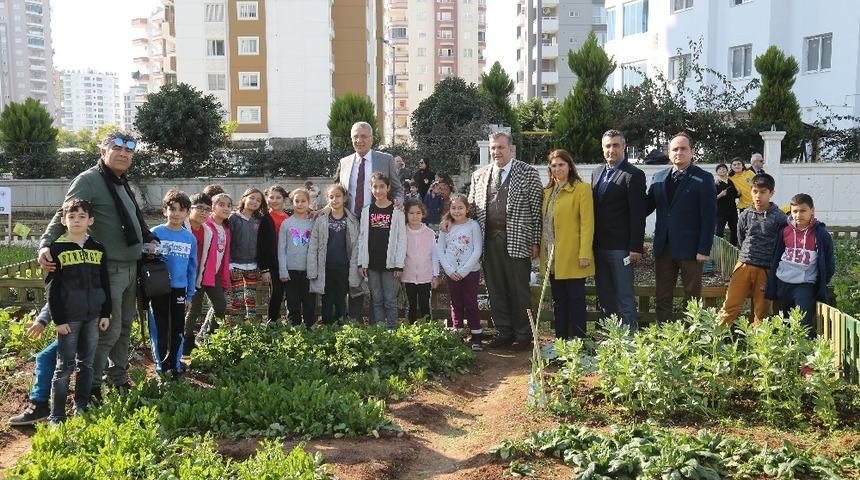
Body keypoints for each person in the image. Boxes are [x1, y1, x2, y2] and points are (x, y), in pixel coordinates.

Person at [38, 131, 157, 399]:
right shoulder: (90, 179)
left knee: (124, 328)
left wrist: (148, 240)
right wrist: (45, 244)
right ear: (103, 152)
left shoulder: (120, 182)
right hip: (109, 268)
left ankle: (118, 378)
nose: (124, 154)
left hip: (131, 266)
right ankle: (90, 387)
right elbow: (64, 212)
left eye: (129, 150)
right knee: (109, 330)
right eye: (117, 148)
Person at [468, 131, 543, 349]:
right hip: (488, 240)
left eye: (500, 147)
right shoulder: (479, 175)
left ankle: (523, 335)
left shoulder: (528, 173)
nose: (496, 151)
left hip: (518, 240)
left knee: (520, 290)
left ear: (511, 149)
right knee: (495, 289)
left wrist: (536, 241)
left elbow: (536, 211)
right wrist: (449, 221)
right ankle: (504, 332)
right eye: (493, 147)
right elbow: (470, 209)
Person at [45, 198, 111, 424]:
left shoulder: (98, 248)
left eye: (82, 216)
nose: (76, 220)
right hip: (69, 319)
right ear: (63, 220)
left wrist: (105, 313)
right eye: (71, 217)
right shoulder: (56, 249)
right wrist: (58, 320)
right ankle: (57, 416)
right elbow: (51, 289)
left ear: (90, 220)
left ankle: (81, 407)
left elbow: (105, 282)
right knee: (64, 367)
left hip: (93, 316)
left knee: (87, 364)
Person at [335, 121, 403, 322]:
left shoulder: (385, 159)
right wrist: (325, 209)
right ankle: (354, 320)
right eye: (355, 136)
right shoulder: (345, 162)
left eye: (363, 136)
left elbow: (397, 188)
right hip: (350, 223)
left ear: (372, 139)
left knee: (374, 269)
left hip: (376, 224)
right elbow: (338, 192)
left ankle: (377, 323)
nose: (359, 140)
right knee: (354, 270)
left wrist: (399, 200)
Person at [646, 132, 716, 324]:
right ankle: (664, 333)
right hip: (664, 247)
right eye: (675, 149)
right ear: (669, 153)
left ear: (692, 152)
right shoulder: (658, 177)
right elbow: (645, 206)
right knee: (662, 295)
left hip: (691, 249)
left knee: (692, 297)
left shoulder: (704, 178)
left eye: (683, 148)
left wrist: (704, 249)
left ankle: (690, 336)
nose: (679, 152)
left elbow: (709, 217)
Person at [591, 130, 646, 331]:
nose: (611, 150)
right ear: (602, 148)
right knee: (605, 295)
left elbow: (638, 214)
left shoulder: (634, 174)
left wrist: (635, 247)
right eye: (608, 146)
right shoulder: (597, 172)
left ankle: (630, 340)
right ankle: (611, 337)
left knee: (624, 296)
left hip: (621, 248)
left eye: (615, 145)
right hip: (599, 246)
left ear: (624, 147)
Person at [717, 173, 787, 326]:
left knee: (762, 312)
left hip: (766, 269)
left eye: (763, 192)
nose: (758, 196)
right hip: (743, 265)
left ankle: (759, 341)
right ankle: (716, 337)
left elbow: (783, 244)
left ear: (771, 193)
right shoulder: (745, 214)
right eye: (755, 191)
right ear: (750, 191)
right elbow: (741, 238)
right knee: (730, 306)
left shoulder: (780, 217)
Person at [766, 194, 835, 339]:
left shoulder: (821, 234)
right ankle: (788, 352)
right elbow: (776, 255)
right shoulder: (784, 230)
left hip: (805, 285)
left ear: (812, 210)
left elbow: (829, 263)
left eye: (803, 211)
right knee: (784, 322)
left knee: (803, 324)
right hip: (783, 283)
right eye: (795, 211)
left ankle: (806, 352)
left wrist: (822, 281)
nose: (798, 215)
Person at [542, 149, 594, 340]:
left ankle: (580, 341)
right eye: (553, 165)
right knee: (558, 301)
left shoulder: (582, 189)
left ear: (570, 166)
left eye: (561, 165)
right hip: (552, 256)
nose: (557, 168)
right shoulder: (547, 192)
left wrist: (585, 253)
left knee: (576, 300)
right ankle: (561, 341)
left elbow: (587, 224)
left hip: (573, 254)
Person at [149, 190, 197, 375]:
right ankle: (161, 367)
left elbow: (192, 268)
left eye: (181, 210)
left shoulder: (189, 238)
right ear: (164, 210)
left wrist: (189, 295)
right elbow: (146, 261)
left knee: (177, 328)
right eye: (172, 209)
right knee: (159, 328)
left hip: (179, 290)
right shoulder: (155, 233)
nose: (176, 213)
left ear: (187, 213)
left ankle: (175, 365)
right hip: (158, 289)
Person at [308, 184, 365, 325]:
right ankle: (327, 327)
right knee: (327, 298)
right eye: (331, 197)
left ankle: (341, 326)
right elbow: (313, 245)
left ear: (344, 198)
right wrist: (312, 268)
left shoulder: (352, 221)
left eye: (338, 196)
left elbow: (357, 246)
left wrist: (357, 265)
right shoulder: (321, 220)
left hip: (344, 267)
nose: (335, 200)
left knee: (341, 298)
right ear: (328, 199)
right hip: (326, 267)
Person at [357, 173, 407, 329]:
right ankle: (379, 332)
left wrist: (399, 265)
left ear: (388, 188)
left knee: (390, 300)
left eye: (382, 186)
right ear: (370, 188)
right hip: (372, 263)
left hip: (390, 264)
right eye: (375, 187)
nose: (378, 190)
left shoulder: (397, 210)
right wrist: (361, 263)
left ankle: (392, 330)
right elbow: (362, 237)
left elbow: (401, 239)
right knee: (376, 299)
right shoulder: (367, 210)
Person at [437, 194, 483, 350]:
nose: (457, 211)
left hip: (470, 272)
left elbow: (477, 250)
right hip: (452, 273)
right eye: (453, 208)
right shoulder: (446, 227)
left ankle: (476, 336)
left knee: (470, 302)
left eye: (460, 208)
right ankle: (458, 334)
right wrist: (449, 270)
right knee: (456, 303)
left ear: (467, 209)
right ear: (449, 209)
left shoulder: (473, 226)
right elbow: (440, 250)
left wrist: (463, 271)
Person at [195, 193, 232, 343]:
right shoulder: (206, 225)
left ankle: (207, 336)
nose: (226, 208)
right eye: (221, 205)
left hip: (215, 274)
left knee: (220, 306)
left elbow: (224, 253)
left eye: (229, 205)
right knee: (194, 310)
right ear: (213, 207)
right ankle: (186, 341)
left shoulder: (226, 228)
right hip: (201, 274)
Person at [278, 188, 316, 327]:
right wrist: (283, 270)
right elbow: (281, 249)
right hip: (291, 270)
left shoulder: (313, 223)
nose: (300, 204)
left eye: (303, 201)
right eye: (297, 201)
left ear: (309, 202)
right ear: (291, 203)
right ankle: (294, 330)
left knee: (309, 302)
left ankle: (309, 329)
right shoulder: (286, 223)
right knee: (292, 302)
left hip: (308, 270)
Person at [228, 188, 265, 322]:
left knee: (251, 298)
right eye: (252, 198)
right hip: (235, 265)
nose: (254, 201)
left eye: (258, 200)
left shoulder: (258, 220)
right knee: (237, 299)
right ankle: (235, 326)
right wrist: (229, 263)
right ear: (244, 198)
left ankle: (252, 327)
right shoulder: (233, 218)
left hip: (253, 266)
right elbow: (228, 241)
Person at [183, 193, 212, 355]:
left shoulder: (207, 231)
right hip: (181, 276)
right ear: (190, 209)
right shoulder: (182, 226)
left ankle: (187, 340)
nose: (203, 212)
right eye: (200, 208)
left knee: (194, 308)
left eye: (207, 209)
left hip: (197, 275)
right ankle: (179, 341)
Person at [402, 199, 440, 324]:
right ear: (406, 214)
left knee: (425, 304)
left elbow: (434, 255)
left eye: (418, 213)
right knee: (410, 305)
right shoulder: (402, 232)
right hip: (408, 276)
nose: (415, 216)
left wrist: (435, 275)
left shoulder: (429, 233)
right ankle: (410, 330)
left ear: (423, 214)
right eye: (411, 213)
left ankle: (427, 330)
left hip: (425, 276)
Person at [257, 185, 290, 322]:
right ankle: (272, 323)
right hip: (273, 263)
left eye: (278, 197)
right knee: (277, 293)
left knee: (291, 294)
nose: (274, 200)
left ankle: (291, 322)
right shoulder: (265, 219)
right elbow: (262, 246)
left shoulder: (289, 217)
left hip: (289, 262)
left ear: (285, 200)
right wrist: (265, 269)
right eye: (271, 197)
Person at [715, 163, 740, 246]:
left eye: (723, 168)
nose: (722, 170)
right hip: (720, 211)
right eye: (719, 169)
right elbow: (711, 199)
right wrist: (720, 195)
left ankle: (733, 247)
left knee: (735, 229)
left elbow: (735, 195)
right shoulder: (715, 183)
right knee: (719, 231)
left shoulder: (731, 182)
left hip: (732, 210)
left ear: (727, 170)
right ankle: (718, 248)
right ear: (717, 172)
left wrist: (738, 194)